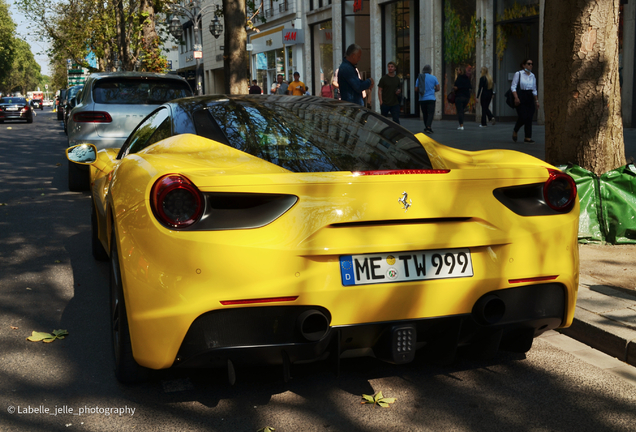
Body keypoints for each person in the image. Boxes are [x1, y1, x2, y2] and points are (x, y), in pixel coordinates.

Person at [511, 59, 539, 143]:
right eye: (529, 64)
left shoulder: (532, 76)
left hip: (529, 96)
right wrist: (516, 97)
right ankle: (515, 130)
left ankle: (527, 137)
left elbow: (534, 89)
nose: (530, 65)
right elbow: (513, 86)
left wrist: (536, 101)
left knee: (529, 116)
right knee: (523, 116)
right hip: (521, 95)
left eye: (532, 64)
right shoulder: (518, 74)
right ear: (524, 65)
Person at [415, 65, 440, 133]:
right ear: (430, 71)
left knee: (425, 113)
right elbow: (438, 88)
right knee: (431, 113)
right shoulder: (433, 77)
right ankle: (428, 127)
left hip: (422, 99)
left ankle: (426, 126)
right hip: (431, 98)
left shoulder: (419, 78)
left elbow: (416, 89)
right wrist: (432, 90)